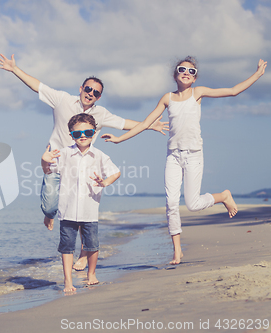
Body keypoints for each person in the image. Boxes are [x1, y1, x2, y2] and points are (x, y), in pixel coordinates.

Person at [0, 53, 168, 271]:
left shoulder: (101, 114)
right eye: (88, 89)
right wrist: (15, 69)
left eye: (96, 92)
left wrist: (150, 125)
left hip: (84, 167)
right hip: (57, 163)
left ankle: (84, 254)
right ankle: (50, 215)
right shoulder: (62, 99)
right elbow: (38, 86)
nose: (91, 94)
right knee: (49, 205)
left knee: (82, 214)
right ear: (81, 88)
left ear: (99, 97)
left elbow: (124, 123)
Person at [102, 57, 267, 265]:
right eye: (182, 69)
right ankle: (177, 251)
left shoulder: (197, 93)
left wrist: (258, 74)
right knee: (171, 203)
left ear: (195, 77)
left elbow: (233, 91)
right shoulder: (167, 98)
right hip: (173, 156)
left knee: (193, 204)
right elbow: (145, 123)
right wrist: (119, 139)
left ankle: (224, 196)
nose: (187, 72)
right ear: (175, 74)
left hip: (193, 155)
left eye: (192, 70)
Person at [42, 113, 120, 292]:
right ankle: (68, 281)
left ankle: (91, 274)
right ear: (71, 135)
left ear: (93, 133)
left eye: (87, 132)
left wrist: (105, 182)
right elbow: (48, 170)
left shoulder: (99, 155)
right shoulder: (64, 153)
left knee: (92, 245)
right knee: (67, 248)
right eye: (77, 134)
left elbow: (115, 172)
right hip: (67, 210)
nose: (82, 136)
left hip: (89, 210)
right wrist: (43, 160)